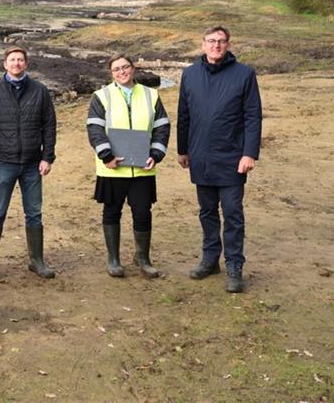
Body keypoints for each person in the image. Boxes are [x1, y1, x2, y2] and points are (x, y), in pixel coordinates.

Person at [177, 26, 262, 293]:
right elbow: (184, 114)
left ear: (228, 45)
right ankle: (210, 259)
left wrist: (249, 153)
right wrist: (182, 149)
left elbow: (252, 116)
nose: (216, 45)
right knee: (207, 211)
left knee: (233, 213)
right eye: (212, 41)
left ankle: (234, 265)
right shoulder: (190, 74)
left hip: (232, 157)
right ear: (203, 44)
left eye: (221, 41)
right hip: (200, 155)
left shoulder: (244, 74)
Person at [0, 46, 57, 280]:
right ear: (5, 64)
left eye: (20, 60)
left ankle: (37, 261)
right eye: (12, 60)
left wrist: (47, 157)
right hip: (4, 164)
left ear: (26, 64)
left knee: (34, 213)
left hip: (32, 164)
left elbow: (49, 125)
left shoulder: (39, 91)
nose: (17, 63)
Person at [86, 54, 170, 279]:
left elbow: (162, 126)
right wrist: (106, 155)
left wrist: (156, 153)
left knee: (142, 211)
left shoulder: (151, 95)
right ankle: (113, 259)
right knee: (112, 211)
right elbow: (94, 128)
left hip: (143, 167)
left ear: (133, 68)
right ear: (111, 73)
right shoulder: (101, 96)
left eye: (125, 67)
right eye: (116, 69)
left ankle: (142, 257)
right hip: (112, 167)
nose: (121, 72)